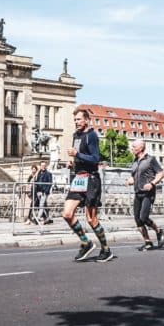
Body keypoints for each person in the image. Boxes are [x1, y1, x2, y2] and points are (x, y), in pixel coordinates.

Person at [61, 108, 113, 262]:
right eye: (75, 120)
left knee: (91, 219)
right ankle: (86, 242)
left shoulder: (92, 136)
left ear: (86, 120)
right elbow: (79, 155)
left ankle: (106, 249)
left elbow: (95, 158)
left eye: (78, 119)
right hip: (78, 178)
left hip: (91, 179)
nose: (76, 122)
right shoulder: (76, 135)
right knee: (67, 214)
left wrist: (77, 155)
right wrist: (73, 162)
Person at [125, 139, 164, 251]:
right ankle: (148, 242)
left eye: (133, 147)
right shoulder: (135, 161)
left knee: (143, 217)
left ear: (141, 148)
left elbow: (161, 173)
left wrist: (152, 183)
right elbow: (134, 177)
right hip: (138, 193)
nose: (131, 148)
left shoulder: (151, 159)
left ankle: (158, 231)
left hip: (148, 193)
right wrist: (130, 180)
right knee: (138, 220)